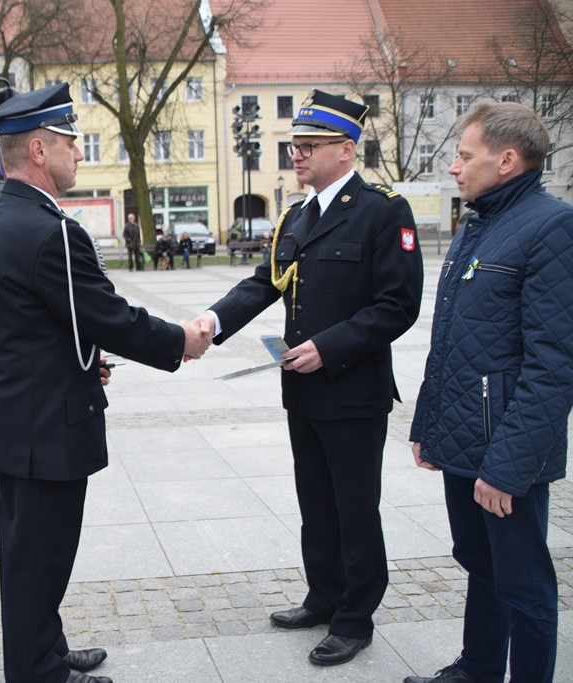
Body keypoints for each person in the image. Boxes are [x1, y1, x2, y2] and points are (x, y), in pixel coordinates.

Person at [0, 83, 210, 683]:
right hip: (45, 429)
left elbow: (34, 325)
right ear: (37, 150)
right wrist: (179, 340)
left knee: (32, 556)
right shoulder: (51, 231)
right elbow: (108, 316)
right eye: (71, 144)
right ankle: (39, 673)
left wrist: (79, 360)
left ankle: (44, 648)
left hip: (21, 419)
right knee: (40, 562)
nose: (80, 155)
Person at [192, 90, 423, 667]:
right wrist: (212, 320)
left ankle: (355, 617)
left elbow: (398, 305)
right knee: (315, 502)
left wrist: (330, 346)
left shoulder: (382, 210)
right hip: (303, 388)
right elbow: (264, 282)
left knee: (354, 506)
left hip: (353, 390)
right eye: (294, 145)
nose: (297, 155)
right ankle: (322, 596)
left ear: (346, 150)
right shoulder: (297, 214)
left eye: (309, 146)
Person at [406, 103, 573, 683]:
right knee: (481, 564)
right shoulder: (480, 222)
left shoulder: (552, 226)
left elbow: (553, 365)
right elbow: (451, 340)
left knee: (525, 585)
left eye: (464, 154)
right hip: (462, 439)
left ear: (506, 160)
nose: (454, 167)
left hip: (508, 454)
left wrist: (508, 467)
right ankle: (478, 669)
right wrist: (427, 424)